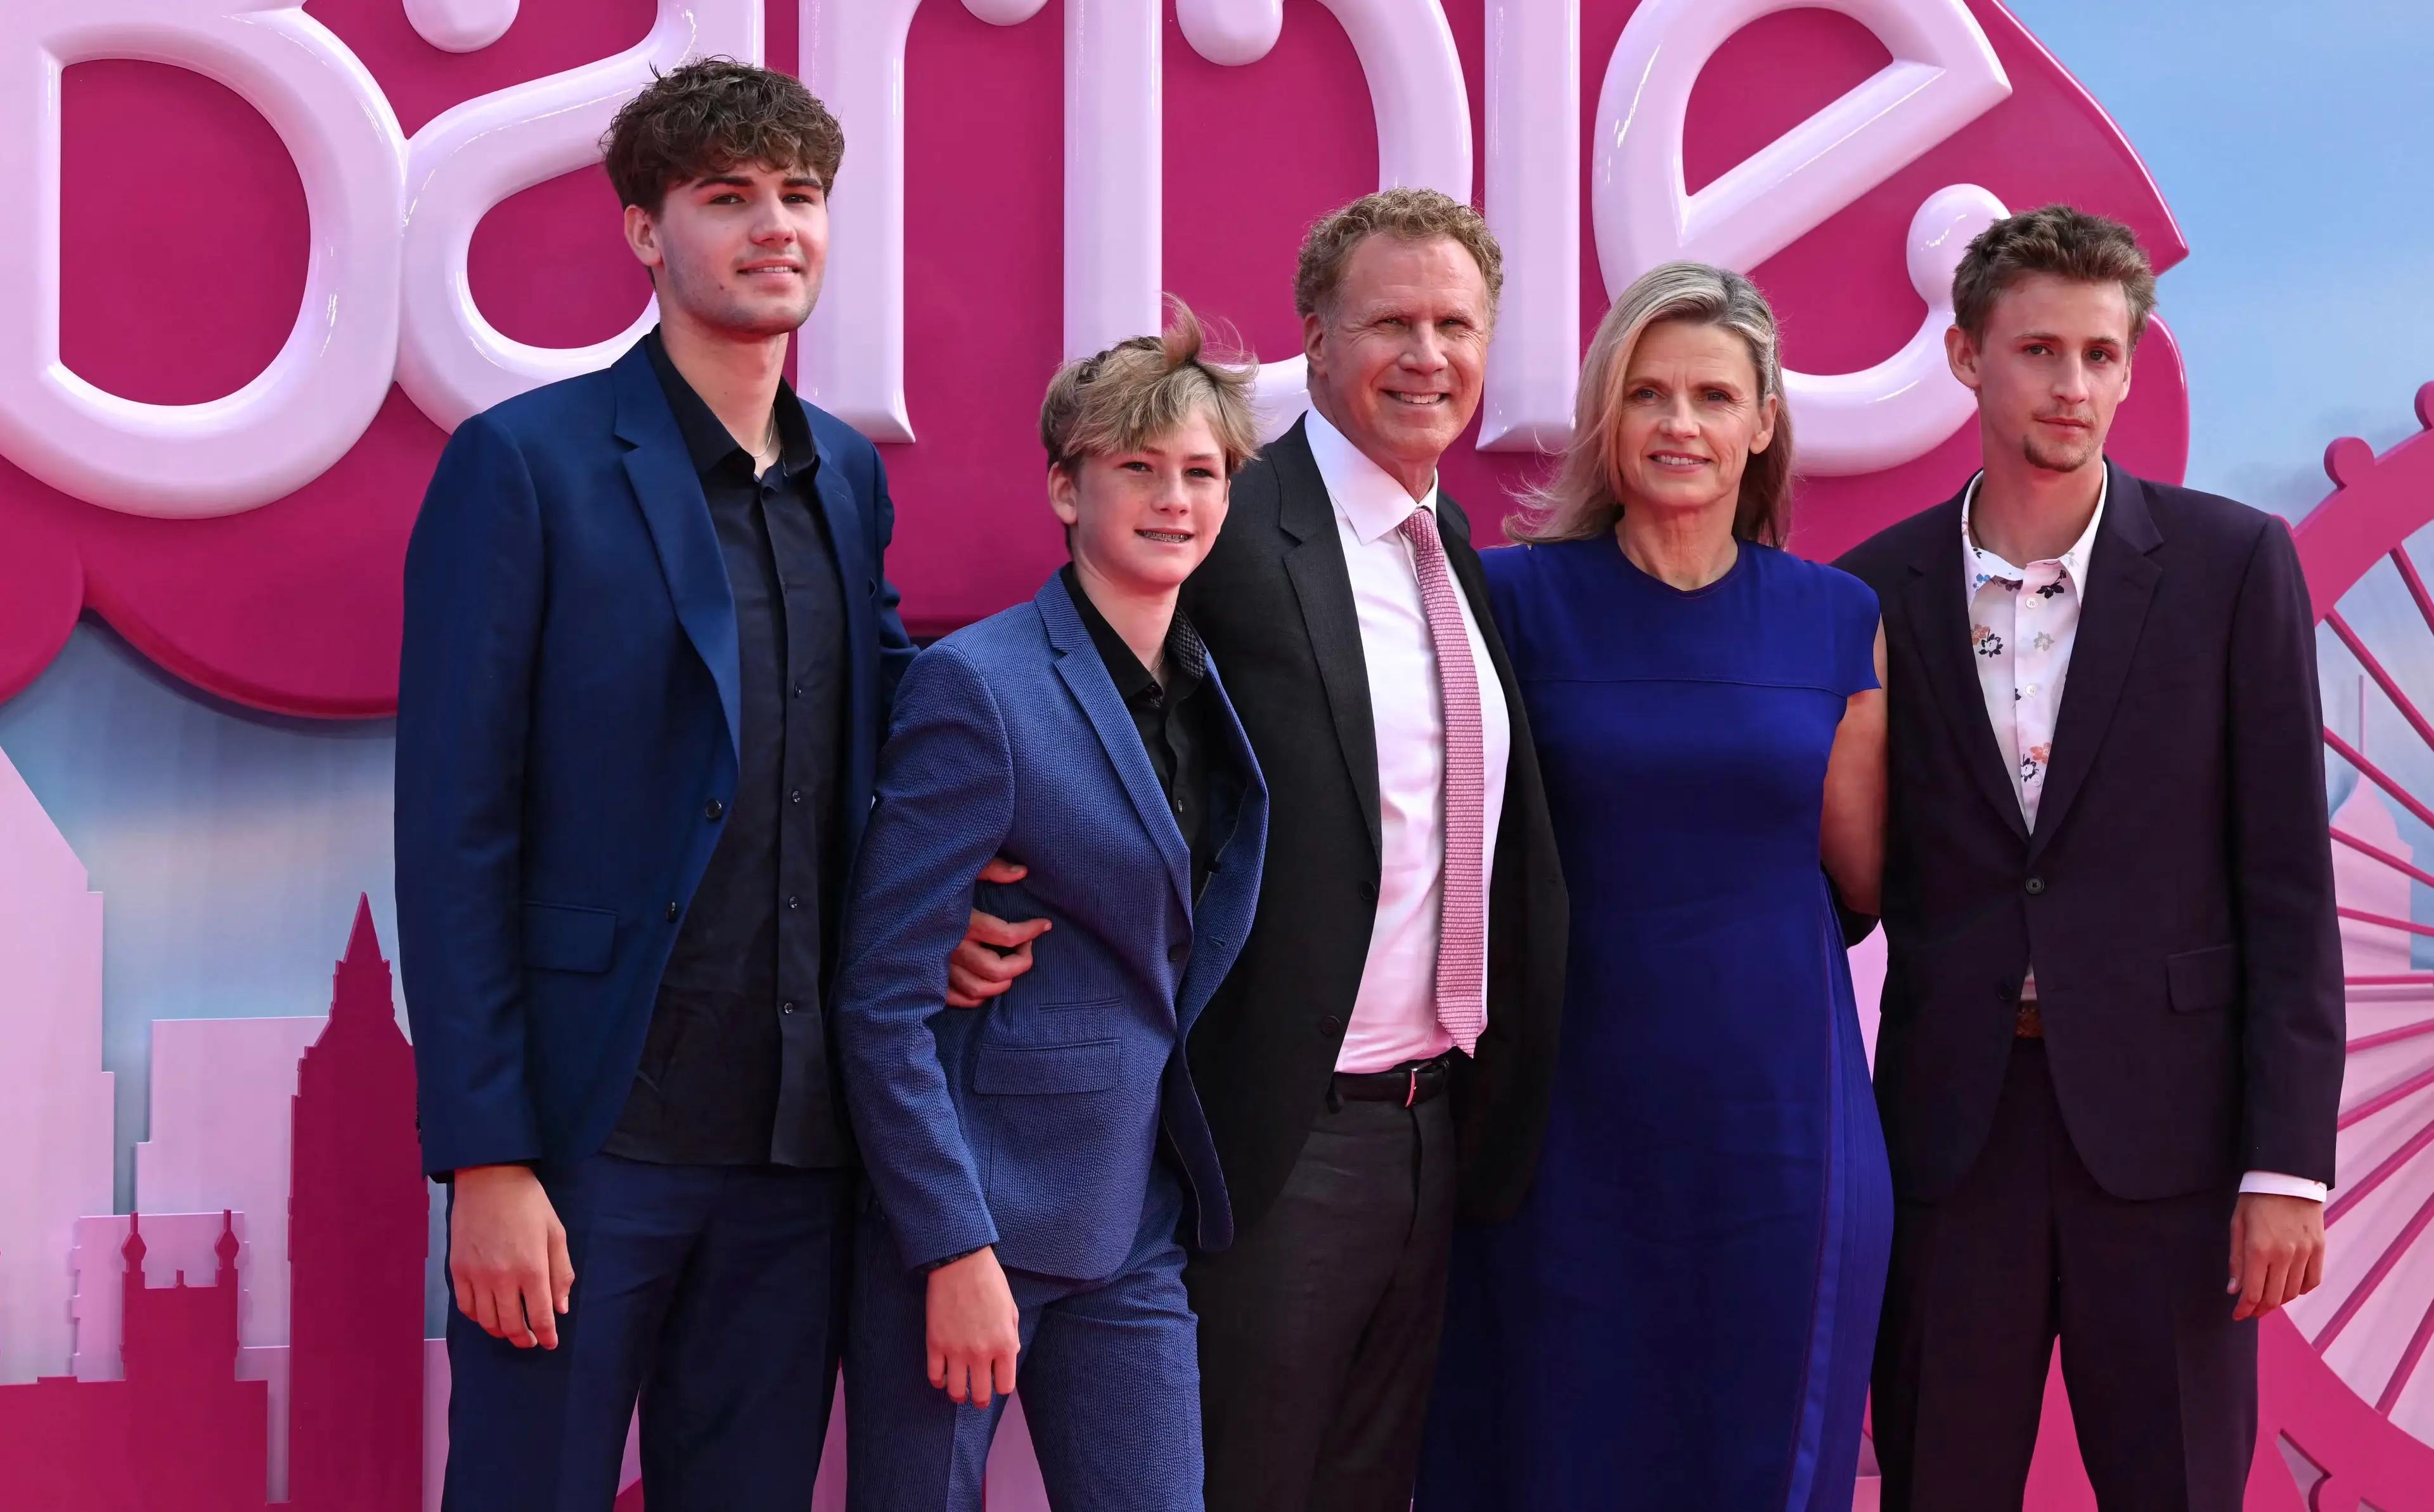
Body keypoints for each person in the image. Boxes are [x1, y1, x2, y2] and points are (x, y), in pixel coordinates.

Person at [396, 60, 994, 1512]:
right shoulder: (521, 466)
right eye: (728, 197)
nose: (773, 225)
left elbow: (884, 730)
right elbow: (453, 828)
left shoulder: (845, 475)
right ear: (644, 233)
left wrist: (943, 908)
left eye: (799, 195)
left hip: (798, 1148)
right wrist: (488, 1154)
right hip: (589, 1144)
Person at [939, 187, 1568, 1512]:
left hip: (1431, 1126)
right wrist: (936, 895)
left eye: (1456, 323)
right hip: (1270, 1138)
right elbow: (1049, 693)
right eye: (1389, 321)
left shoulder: (1451, 540)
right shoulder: (1226, 518)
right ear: (1316, 341)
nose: (1428, 354)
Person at [1834, 204, 2343, 1510]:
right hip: (1955, 1136)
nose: (2075, 388)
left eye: (2102, 356)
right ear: (1965, 357)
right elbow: (1847, 868)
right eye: (2040, 352)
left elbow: (2288, 883)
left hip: (2175, 1148)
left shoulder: (2236, 567)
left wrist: (2285, 1164)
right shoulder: (1865, 589)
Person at [1416, 263, 1891, 1511]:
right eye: (1649, 393)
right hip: (1561, 1121)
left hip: (1781, 1124)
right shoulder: (1509, 599)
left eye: (1713, 395)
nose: (1681, 422)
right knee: (1554, 1447)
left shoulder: (1837, 618)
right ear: (1605, 419)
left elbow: (1864, 871)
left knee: (1759, 1453)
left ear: (1764, 421)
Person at [831, 302, 1268, 1512]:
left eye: (1199, 471)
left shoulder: (1207, 688)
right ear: (1067, 491)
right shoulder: (980, 686)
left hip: (1136, 1210)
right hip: (972, 1214)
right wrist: (950, 1245)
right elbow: (883, 1000)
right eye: (1137, 468)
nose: (1173, 497)